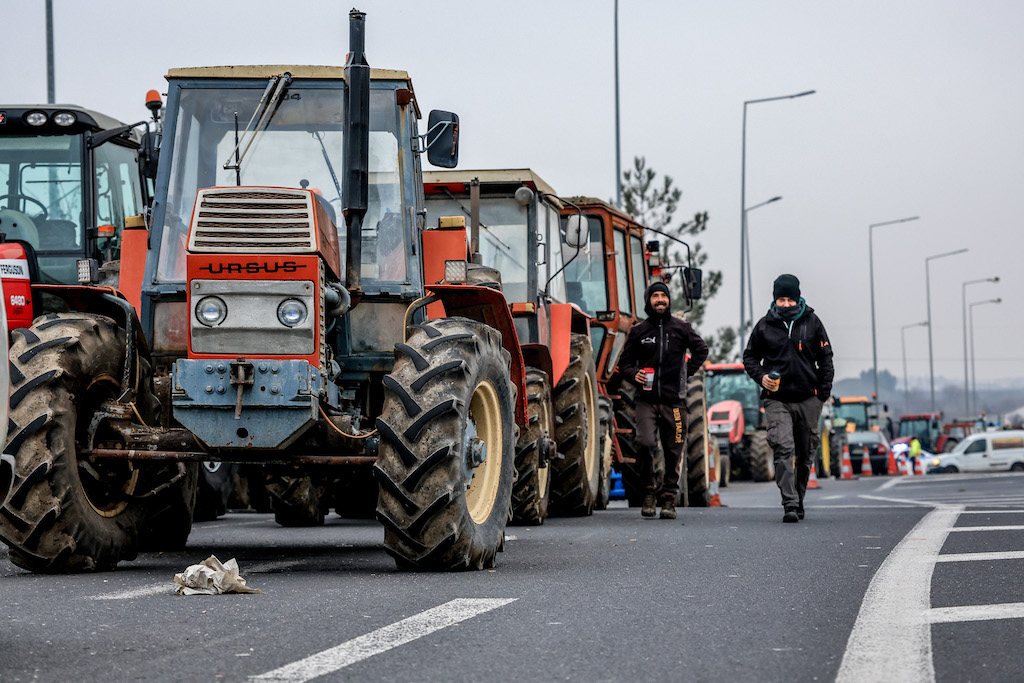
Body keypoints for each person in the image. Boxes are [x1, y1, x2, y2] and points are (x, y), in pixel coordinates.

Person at [743, 274, 834, 523]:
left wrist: (822, 394)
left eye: (789, 299)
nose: (785, 304)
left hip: (808, 398)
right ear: (775, 299)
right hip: (777, 399)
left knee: (805, 455)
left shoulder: (812, 322)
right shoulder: (764, 325)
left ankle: (799, 499)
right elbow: (749, 358)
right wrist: (761, 377)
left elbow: (826, 358)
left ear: (797, 298)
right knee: (783, 448)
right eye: (781, 299)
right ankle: (790, 504)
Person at [617, 282, 708, 519]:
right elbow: (624, 364)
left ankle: (668, 499)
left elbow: (702, 350)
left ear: (668, 300)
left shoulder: (682, 328)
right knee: (645, 443)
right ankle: (648, 491)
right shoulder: (639, 331)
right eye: (655, 296)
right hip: (646, 401)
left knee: (673, 451)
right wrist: (633, 375)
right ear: (648, 301)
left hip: (675, 402)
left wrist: (686, 372)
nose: (660, 300)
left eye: (663, 296)